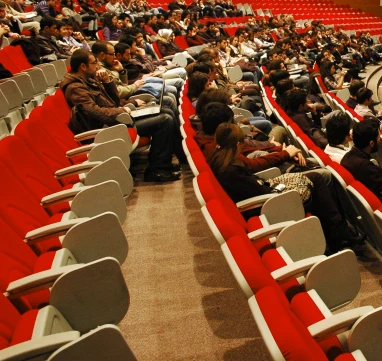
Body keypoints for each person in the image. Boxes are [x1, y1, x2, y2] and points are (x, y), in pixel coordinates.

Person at [208, 122, 364, 251]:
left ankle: (336, 231)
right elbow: (259, 191)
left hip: (266, 195)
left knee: (315, 177)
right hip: (270, 204)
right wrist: (280, 185)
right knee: (316, 181)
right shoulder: (232, 169)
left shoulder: (219, 159)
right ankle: (338, 231)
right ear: (237, 145)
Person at [60, 49, 180, 182]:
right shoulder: (76, 88)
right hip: (106, 128)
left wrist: (107, 81)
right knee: (165, 120)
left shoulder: (89, 80)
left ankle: (165, 162)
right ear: (83, 66)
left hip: (116, 119)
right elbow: (94, 112)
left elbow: (114, 102)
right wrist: (122, 111)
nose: (98, 66)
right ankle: (158, 170)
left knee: (165, 110)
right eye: (94, 63)